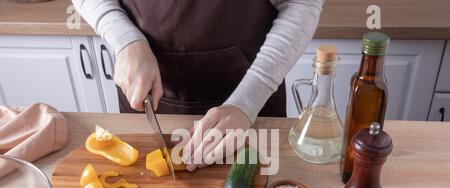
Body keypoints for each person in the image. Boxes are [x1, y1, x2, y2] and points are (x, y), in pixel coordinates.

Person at [72, 0, 324, 171]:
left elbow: (301, 2)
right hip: (148, 93)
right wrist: (124, 39)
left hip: (251, 97)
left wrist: (247, 101)